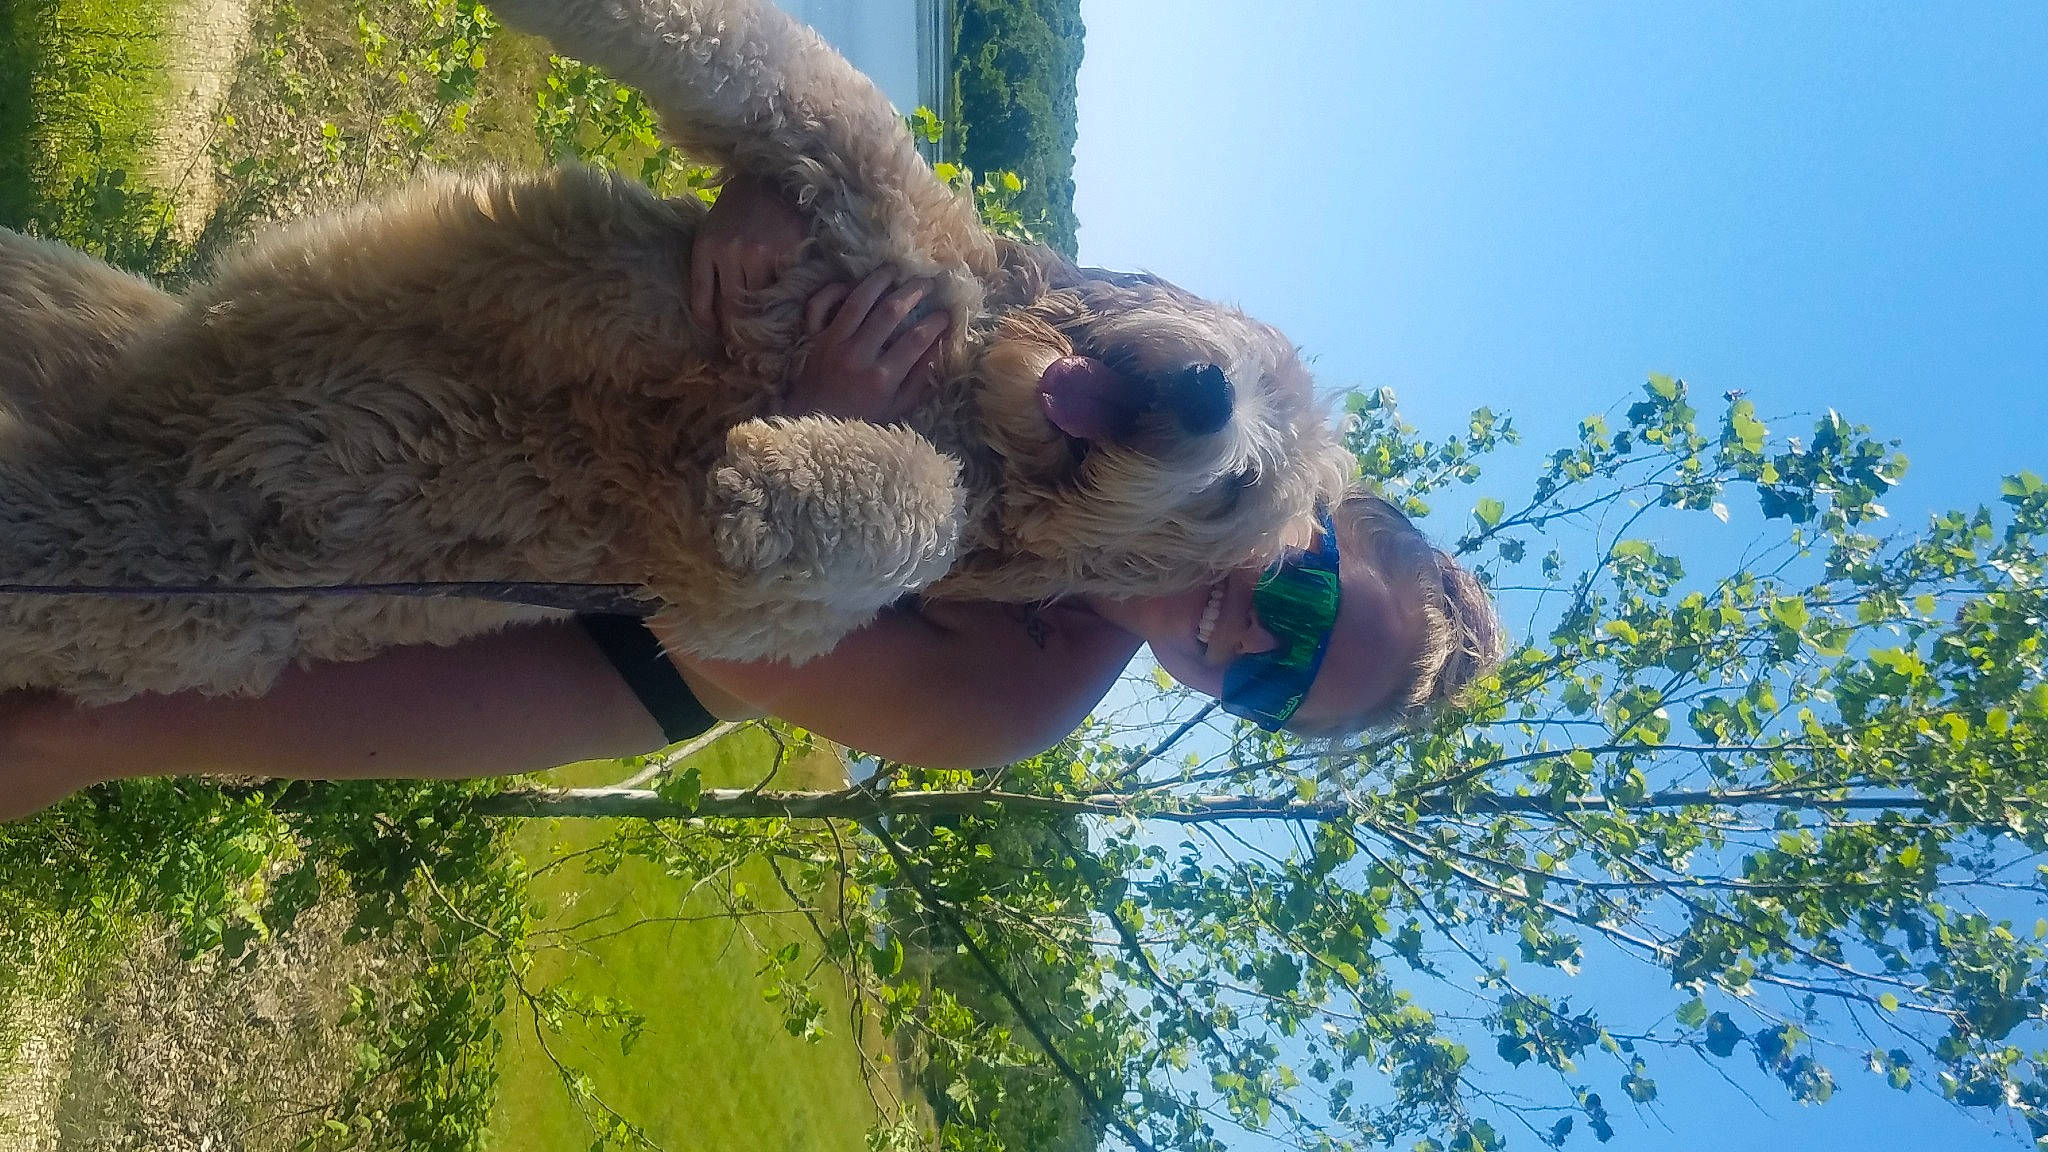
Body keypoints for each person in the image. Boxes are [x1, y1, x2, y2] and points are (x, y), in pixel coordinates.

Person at [0, 179, 1503, 822]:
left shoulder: (1018, 696)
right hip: (605, 429)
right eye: (1303, 603)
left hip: (629, 642)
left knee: (103, 711)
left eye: (1268, 691)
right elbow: (913, 244)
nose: (1243, 638)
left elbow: (713, 617)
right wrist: (777, 206)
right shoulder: (1132, 379)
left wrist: (823, 442)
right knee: (159, 408)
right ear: (1312, 507)